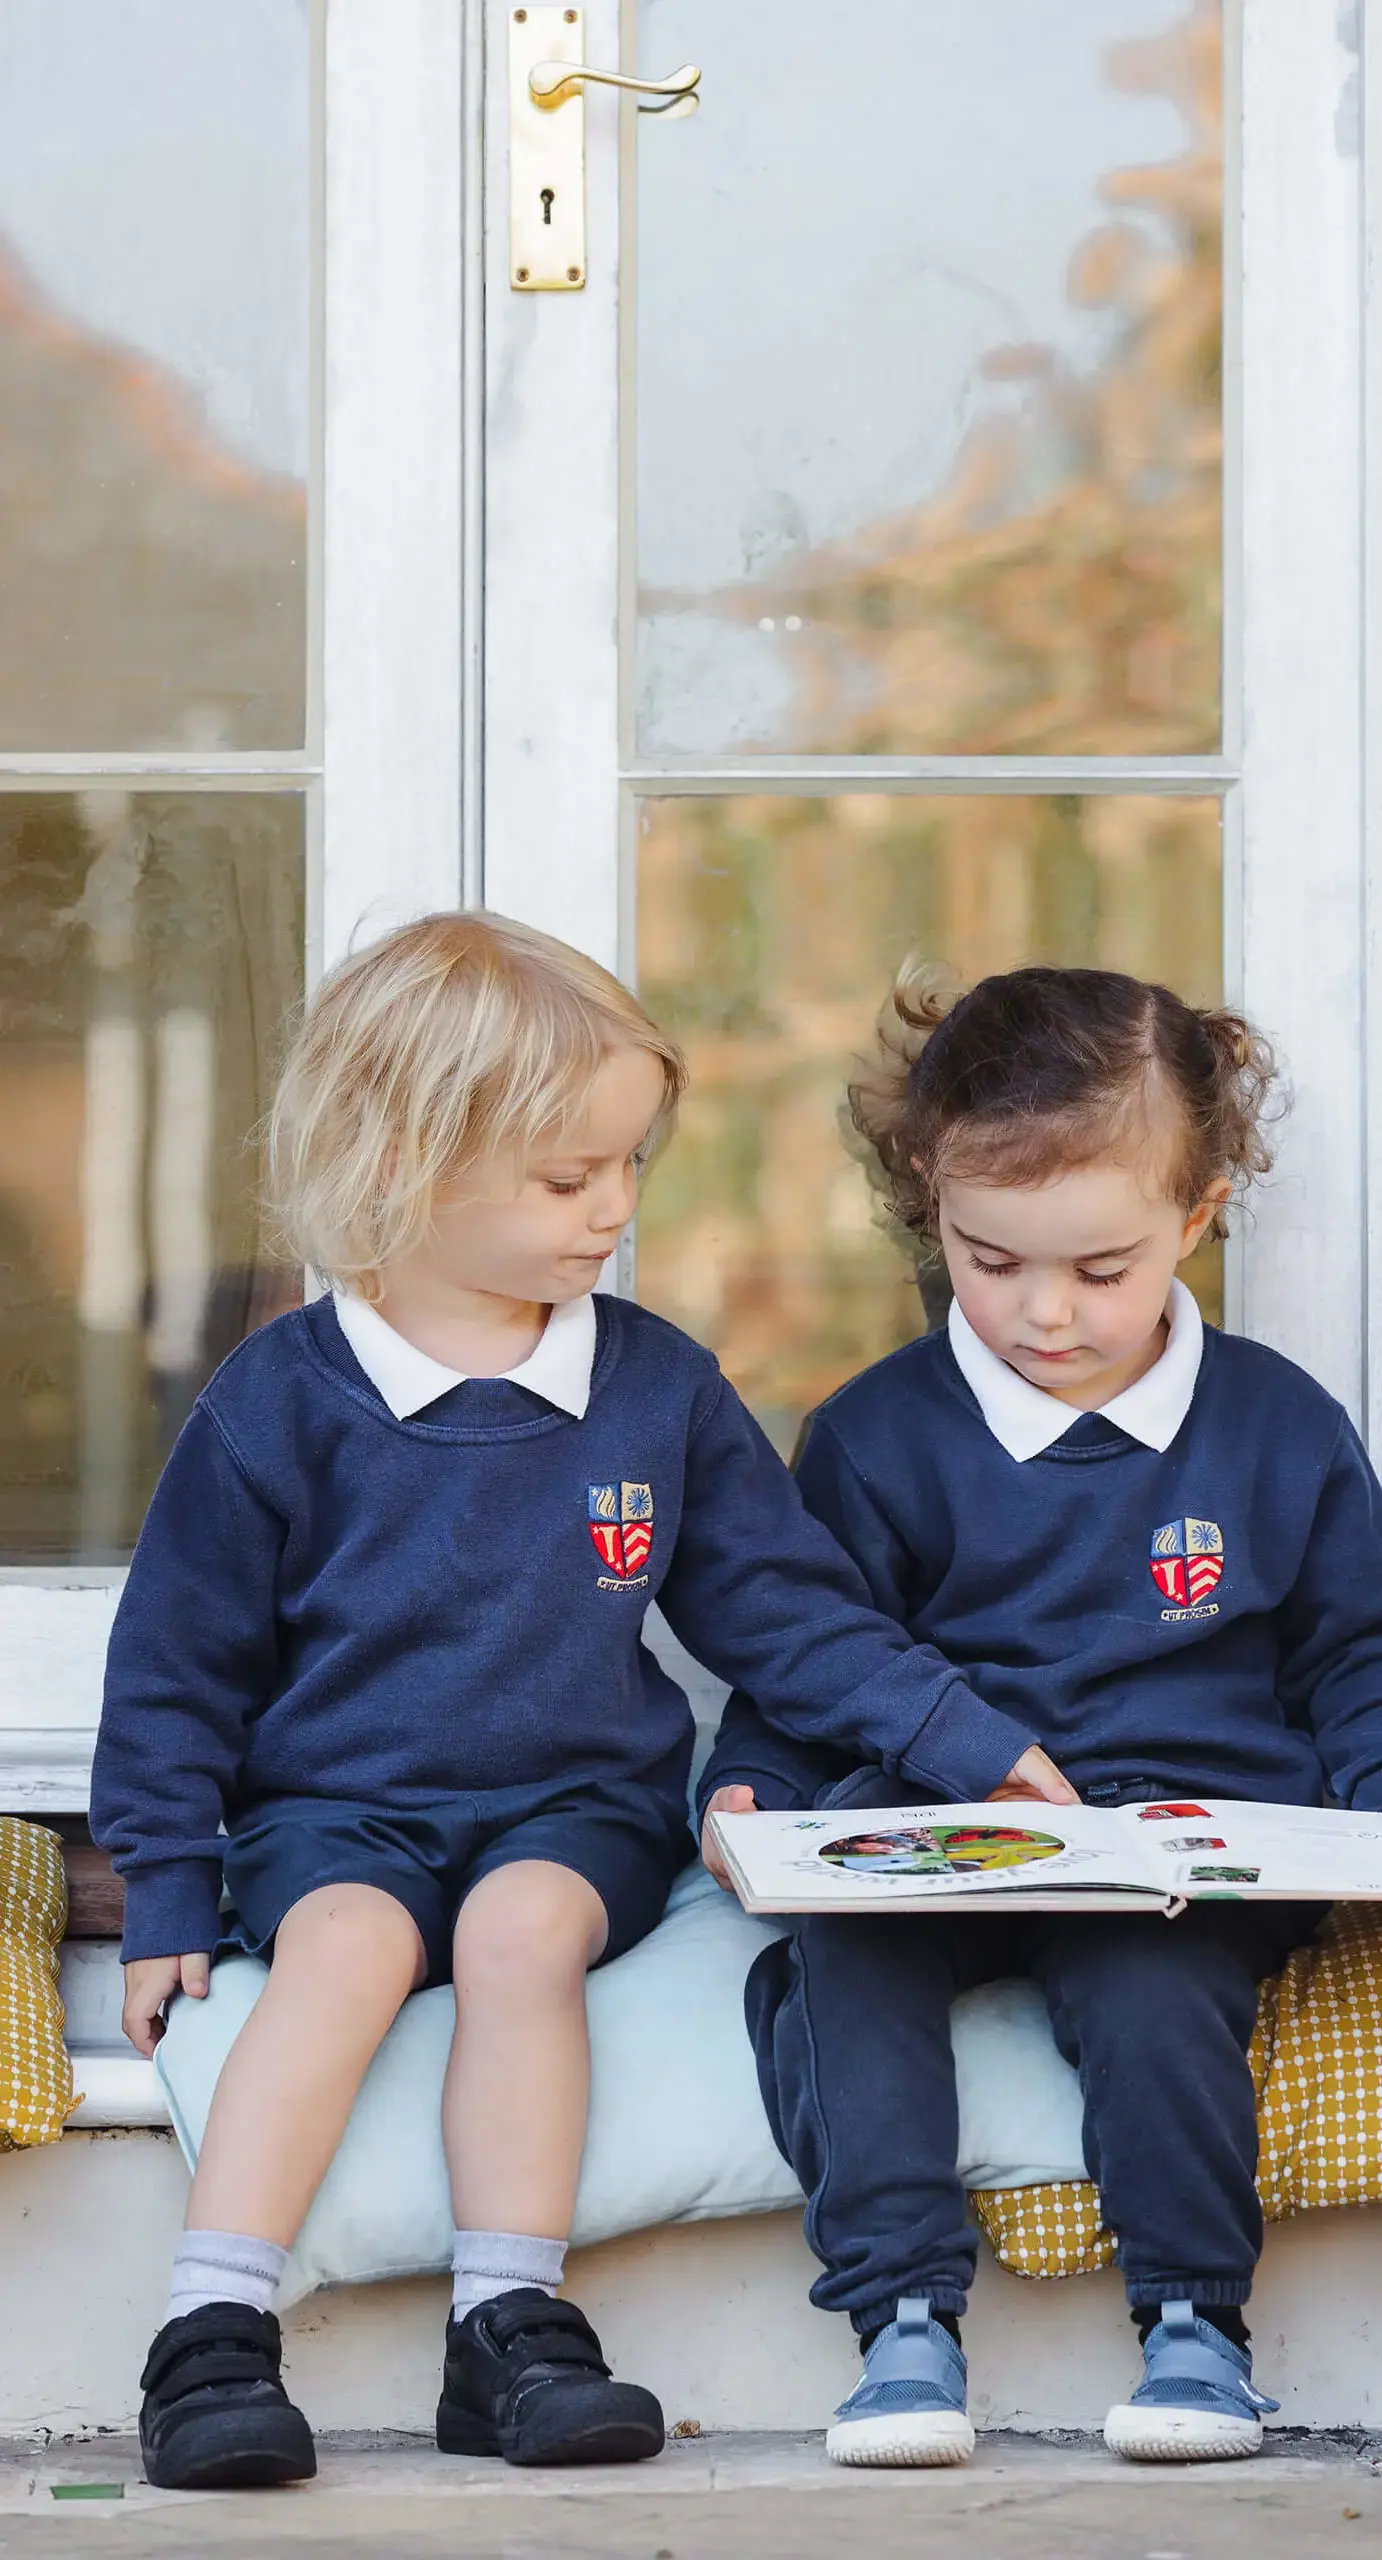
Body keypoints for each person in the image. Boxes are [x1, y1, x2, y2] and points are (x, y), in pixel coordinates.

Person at [91, 913, 1056, 2494]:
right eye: (563, 1180)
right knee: (341, 1948)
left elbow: (784, 1614)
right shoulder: (278, 1402)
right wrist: (166, 1888)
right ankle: (210, 2330)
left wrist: (968, 1740)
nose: (610, 1211)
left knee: (519, 1937)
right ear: (402, 1161)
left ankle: (511, 2326)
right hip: (333, 1811)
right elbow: (174, 1669)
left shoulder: (652, 1387)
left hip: (573, 1810)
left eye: (625, 1170)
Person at [699, 963, 1382, 2469]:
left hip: (1181, 1844)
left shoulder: (1277, 1428)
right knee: (834, 1963)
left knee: (1151, 1998)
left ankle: (1196, 2331)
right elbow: (814, 1656)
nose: (1041, 1312)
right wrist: (748, 1783)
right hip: (942, 1831)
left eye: (1099, 1267)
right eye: (988, 1259)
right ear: (929, 1206)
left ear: (1196, 1217)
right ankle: (897, 2330)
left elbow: (1352, 1652)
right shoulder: (876, 1434)